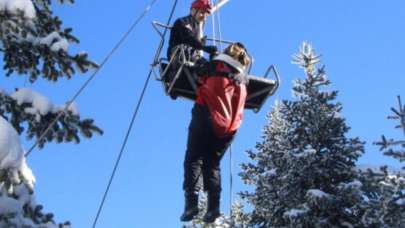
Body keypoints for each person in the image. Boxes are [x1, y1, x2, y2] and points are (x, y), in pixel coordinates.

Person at [181, 42, 251, 223]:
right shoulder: (243, 78)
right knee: (212, 164)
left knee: (194, 158)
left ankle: (191, 203)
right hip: (230, 127)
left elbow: (197, 72)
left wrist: (198, 58)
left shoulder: (214, 65)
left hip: (208, 115)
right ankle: (213, 209)